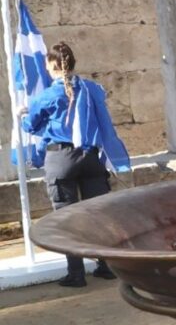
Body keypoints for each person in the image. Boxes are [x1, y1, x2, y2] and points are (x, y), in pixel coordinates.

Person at [22, 42, 131, 287]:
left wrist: (24, 114)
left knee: (66, 218)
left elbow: (30, 125)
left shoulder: (48, 95)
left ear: (52, 65)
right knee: (99, 215)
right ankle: (105, 266)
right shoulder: (91, 89)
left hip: (61, 159)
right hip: (91, 156)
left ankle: (76, 273)